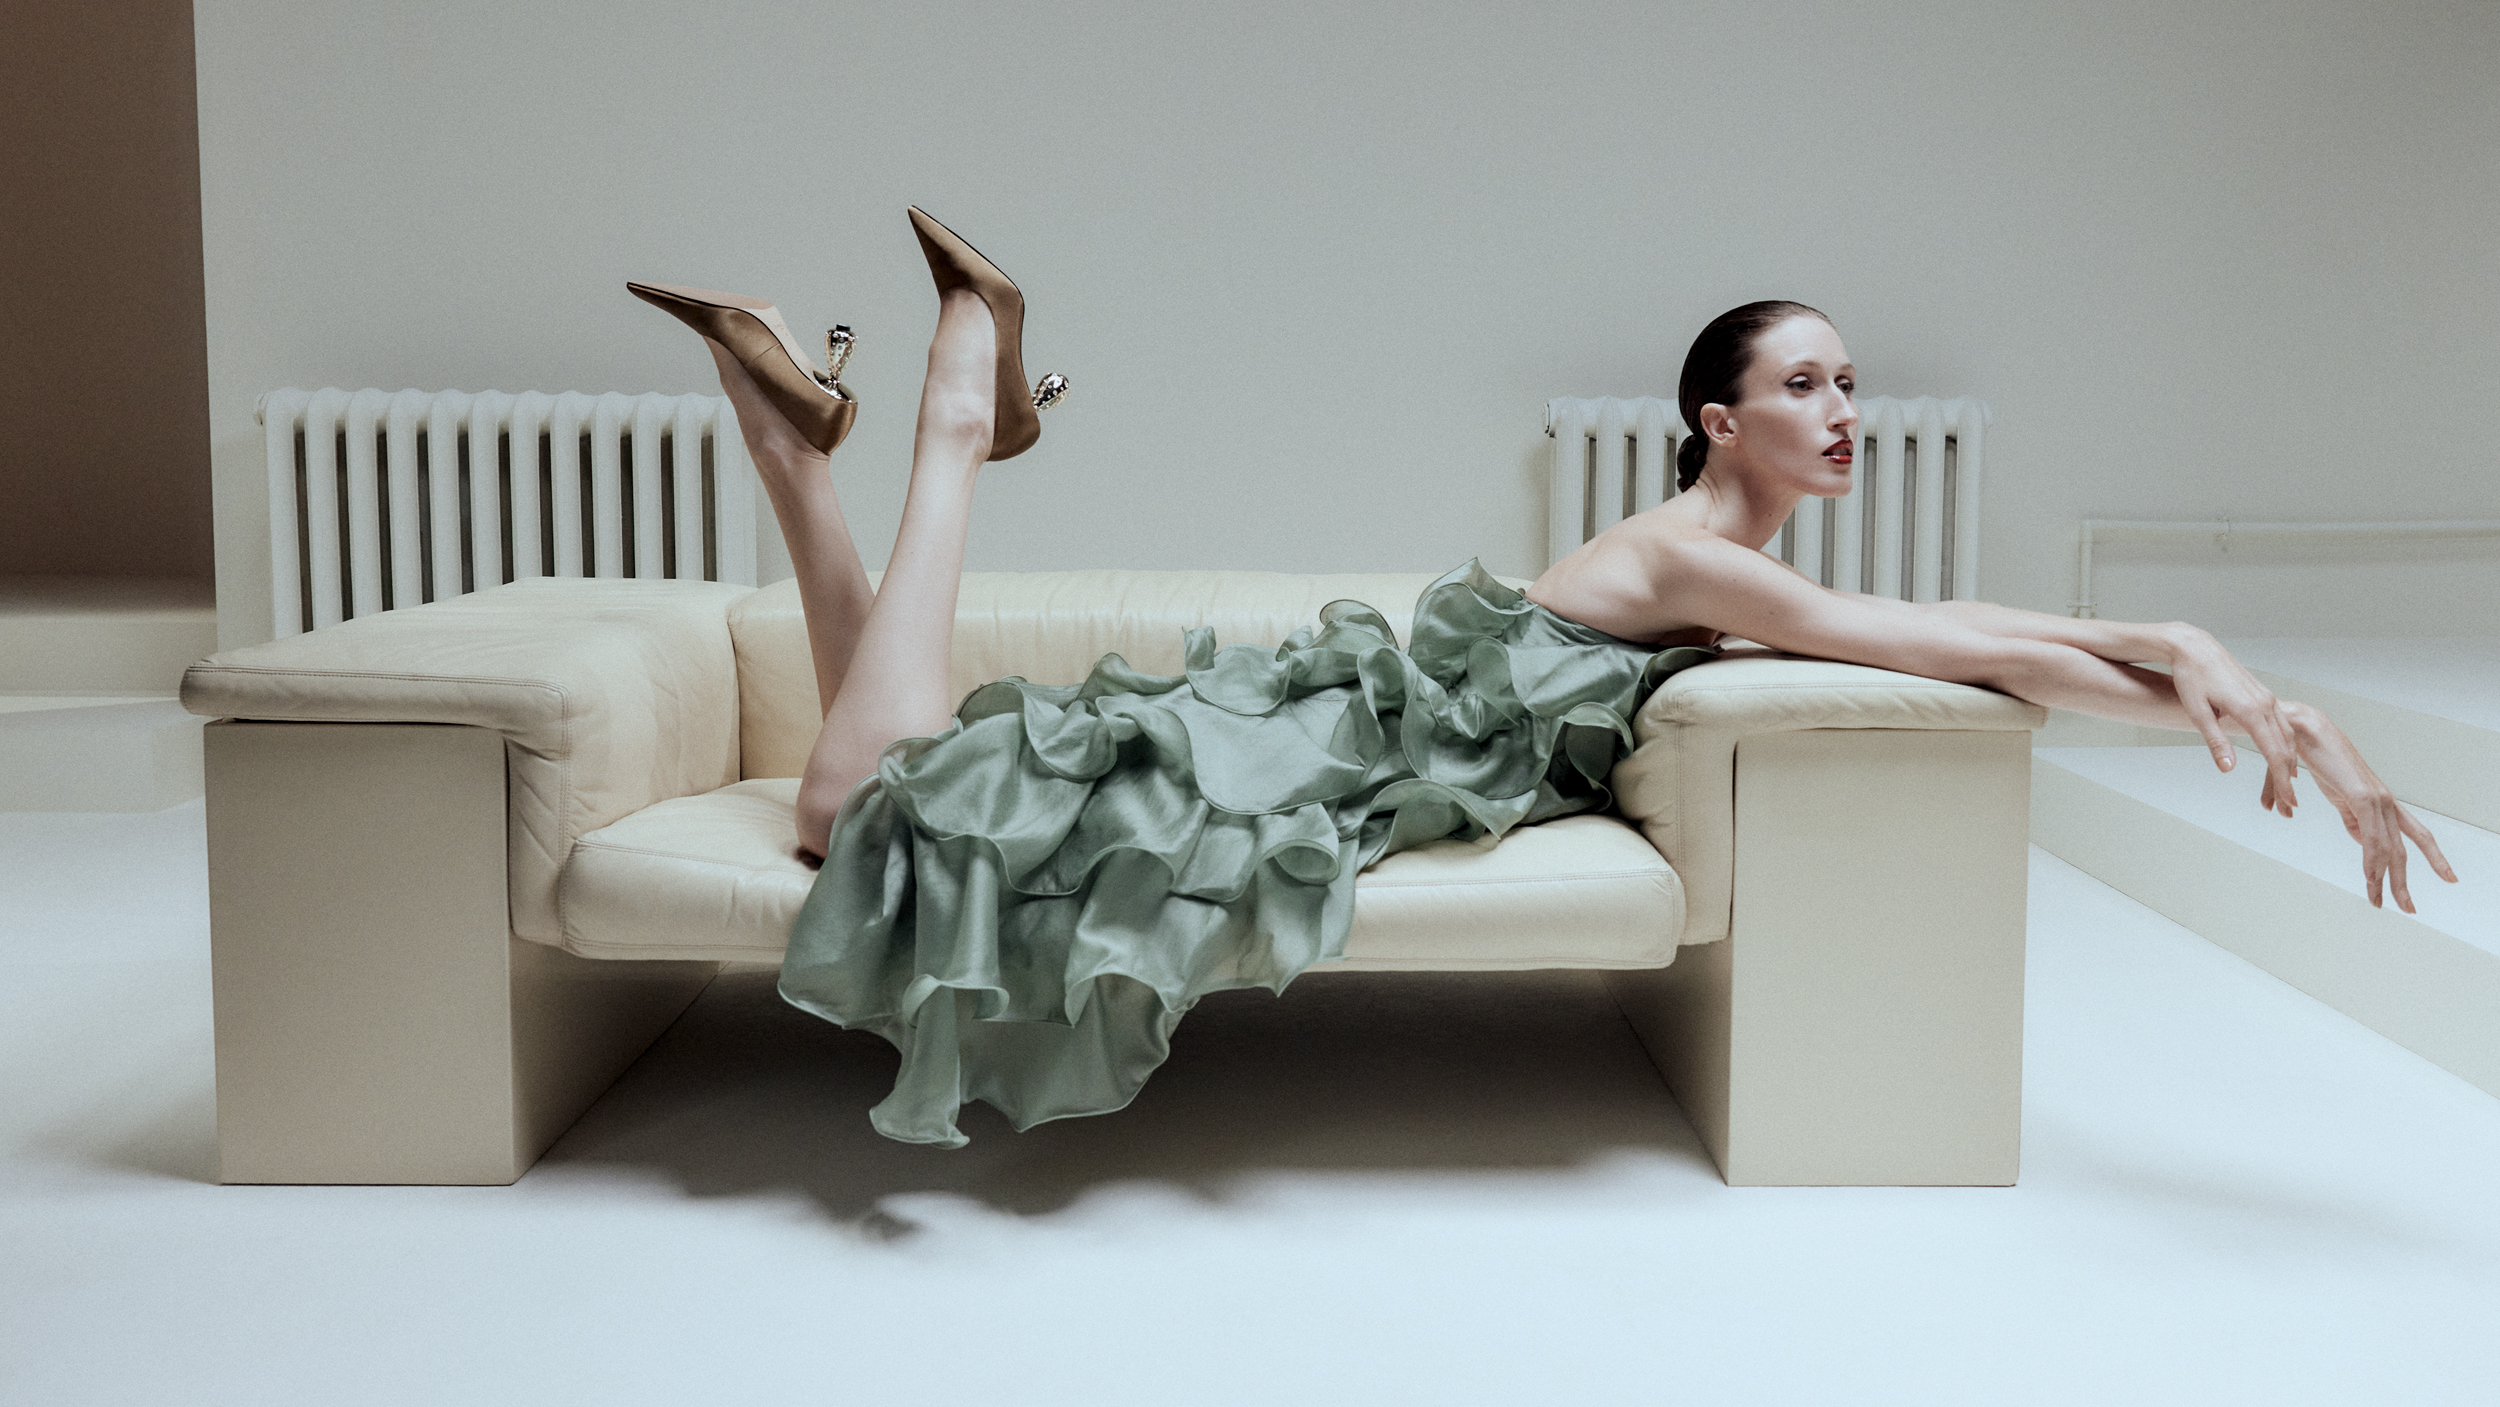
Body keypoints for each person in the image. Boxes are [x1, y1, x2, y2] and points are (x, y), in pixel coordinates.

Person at [633, 218, 2455, 1148]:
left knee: (904, 777)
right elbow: (1960, 641)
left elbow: (1971, 651)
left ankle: (791, 442)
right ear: (1713, 418)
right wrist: (2201, 656)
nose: (1845, 412)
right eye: (1806, 384)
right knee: (850, 811)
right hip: (1314, 754)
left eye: (1851, 384)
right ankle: (965, 401)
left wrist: (2220, 691)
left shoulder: (1724, 578)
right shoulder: (1688, 554)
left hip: (1322, 753)